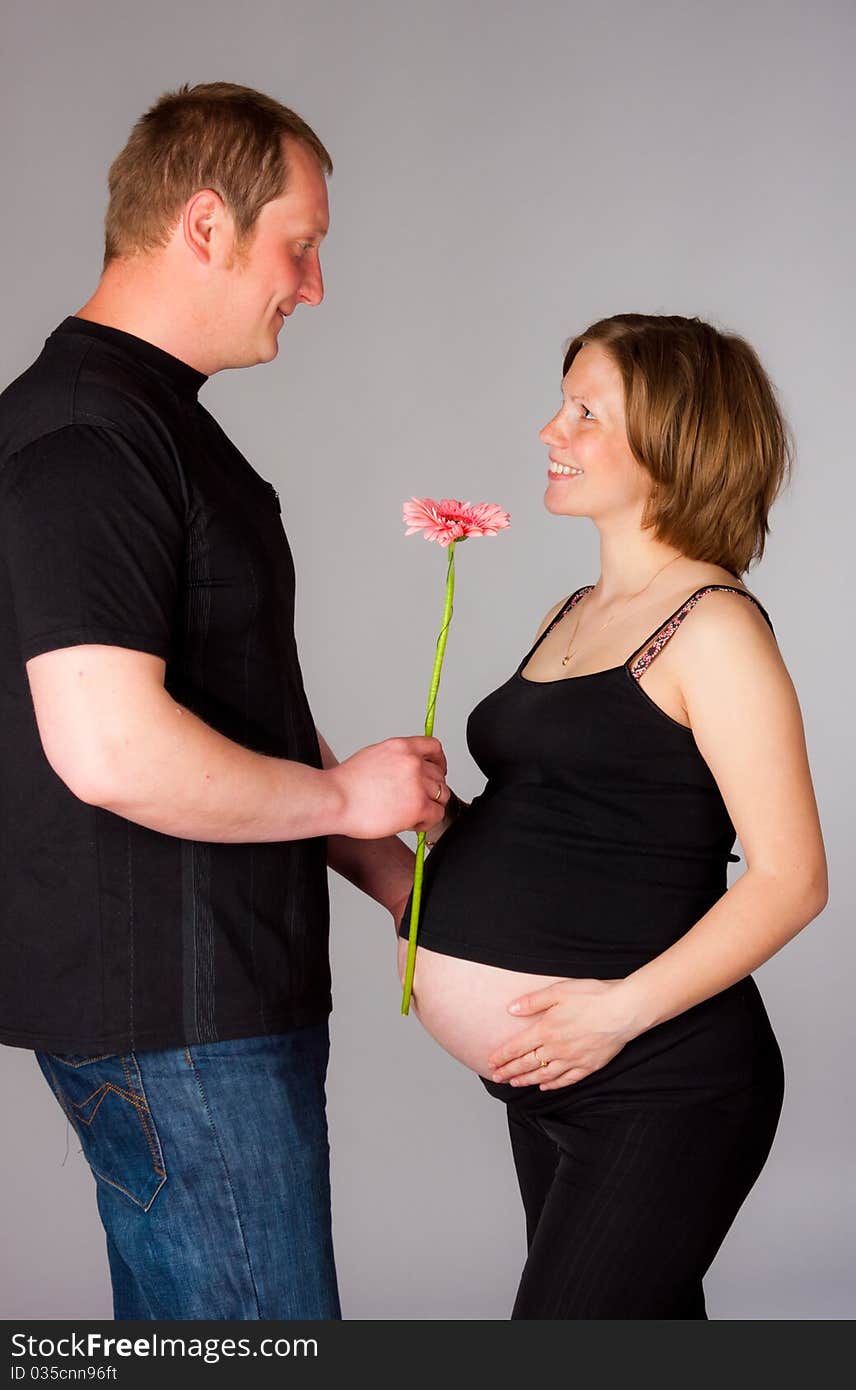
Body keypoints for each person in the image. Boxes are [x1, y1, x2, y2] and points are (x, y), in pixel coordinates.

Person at [0, 82, 448, 1321]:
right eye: (299, 247)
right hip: (177, 1024)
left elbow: (225, 695)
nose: (312, 285)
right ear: (206, 225)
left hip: (205, 1012)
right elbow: (110, 747)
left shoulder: (153, 424)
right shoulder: (91, 433)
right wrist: (347, 790)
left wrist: (389, 869)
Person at [398, 313, 828, 1319]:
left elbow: (791, 877)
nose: (552, 431)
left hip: (655, 1080)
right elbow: (570, 837)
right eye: (562, 405)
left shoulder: (711, 626)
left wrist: (611, 1016)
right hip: (555, 1074)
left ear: (677, 441)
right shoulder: (574, 611)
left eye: (586, 412)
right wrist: (418, 821)